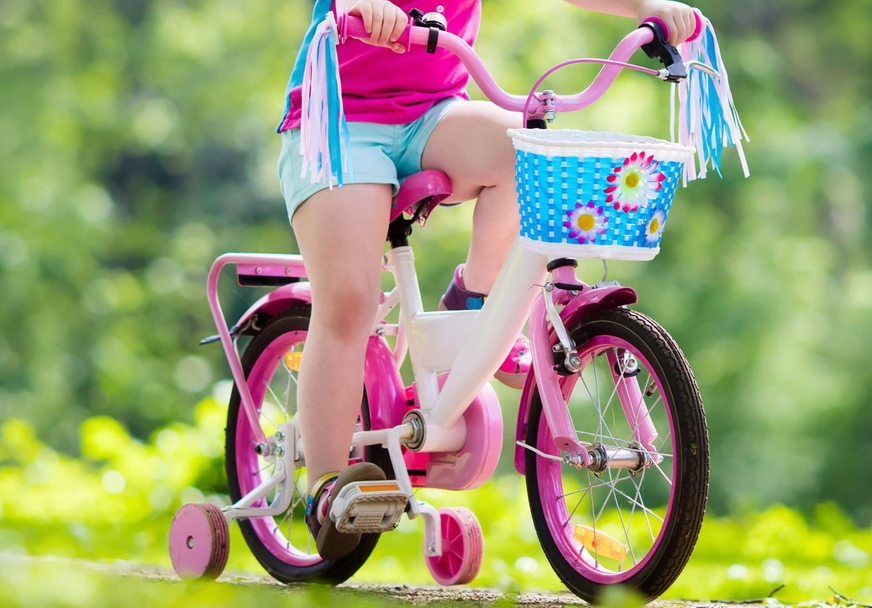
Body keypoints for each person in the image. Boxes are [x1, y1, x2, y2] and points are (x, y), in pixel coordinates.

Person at [275, 0, 698, 559]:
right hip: (338, 124)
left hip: (433, 117)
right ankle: (328, 489)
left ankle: (474, 298)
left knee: (529, 148)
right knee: (350, 302)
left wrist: (646, 8)